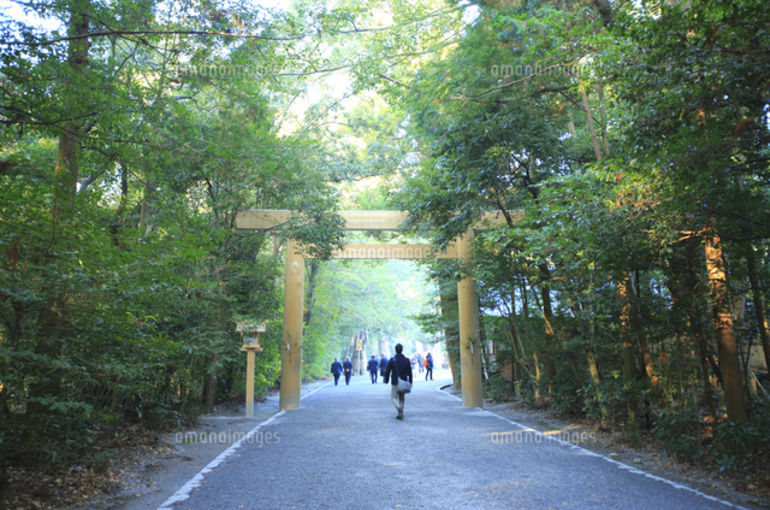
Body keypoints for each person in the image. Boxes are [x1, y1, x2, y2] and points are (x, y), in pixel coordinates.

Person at [384, 343, 413, 420]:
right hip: (403, 381)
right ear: (402, 350)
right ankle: (400, 413)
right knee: (402, 397)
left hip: (395, 381)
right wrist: (411, 382)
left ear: (395, 350)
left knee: (393, 397)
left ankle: (398, 407)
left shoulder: (392, 360)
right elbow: (410, 372)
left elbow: (388, 371)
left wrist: (386, 379)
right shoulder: (406, 360)